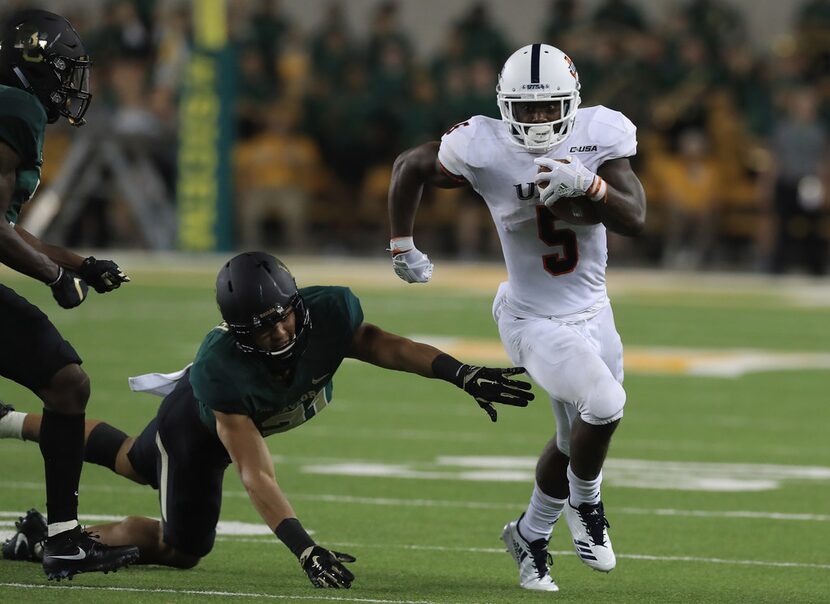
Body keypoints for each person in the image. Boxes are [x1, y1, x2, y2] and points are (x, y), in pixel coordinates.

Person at [1, 251, 534, 588]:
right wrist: (304, 549)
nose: (277, 332)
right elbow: (255, 473)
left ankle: (9, 421)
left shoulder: (328, 312)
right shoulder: (224, 372)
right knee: (184, 548)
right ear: (236, 332)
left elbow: (384, 345)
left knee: (131, 459)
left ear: (296, 302)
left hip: (196, 419)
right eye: (259, 327)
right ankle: (56, 539)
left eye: (281, 316)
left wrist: (460, 373)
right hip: (196, 435)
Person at [387, 44, 646, 592]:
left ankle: (530, 534)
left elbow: (636, 219)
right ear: (505, 106)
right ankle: (588, 504)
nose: (535, 119)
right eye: (524, 109)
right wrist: (401, 245)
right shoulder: (484, 146)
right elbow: (408, 166)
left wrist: (592, 184)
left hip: (595, 313)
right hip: (532, 318)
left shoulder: (601, 135)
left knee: (576, 439)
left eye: (547, 107)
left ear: (571, 103)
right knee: (605, 404)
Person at [0, 9, 136, 580]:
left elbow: (5, 224)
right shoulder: (15, 107)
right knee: (66, 381)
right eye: (62, 70)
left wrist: (79, 263)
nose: (70, 84)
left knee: (64, 382)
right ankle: (62, 540)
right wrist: (56, 279)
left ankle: (60, 539)